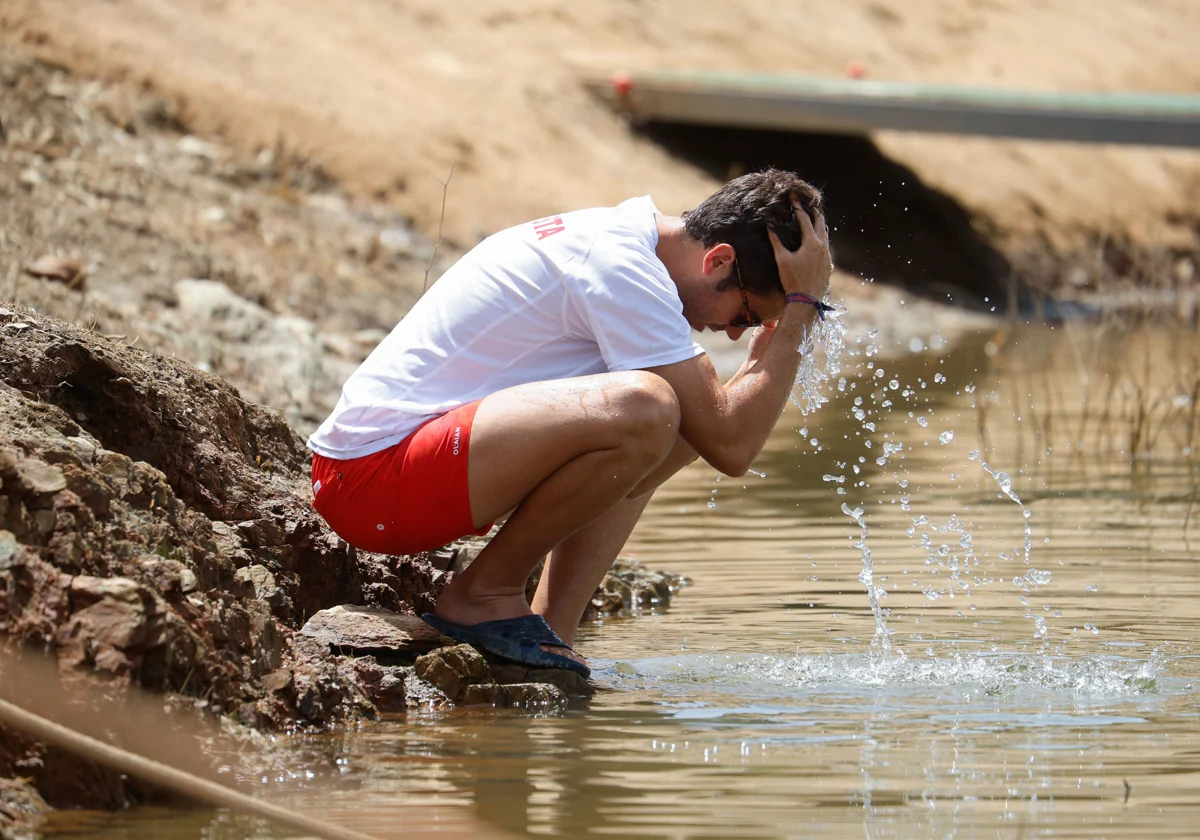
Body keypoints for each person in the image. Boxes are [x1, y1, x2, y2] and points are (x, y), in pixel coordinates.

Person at [307, 168, 834, 678]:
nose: (736, 335)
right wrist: (796, 317)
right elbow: (732, 445)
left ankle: (550, 629)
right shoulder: (621, 266)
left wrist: (775, 332)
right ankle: (481, 596)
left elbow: (716, 428)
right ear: (718, 261)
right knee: (648, 409)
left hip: (406, 471)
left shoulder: (631, 245)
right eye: (744, 315)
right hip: (370, 483)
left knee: (676, 416)